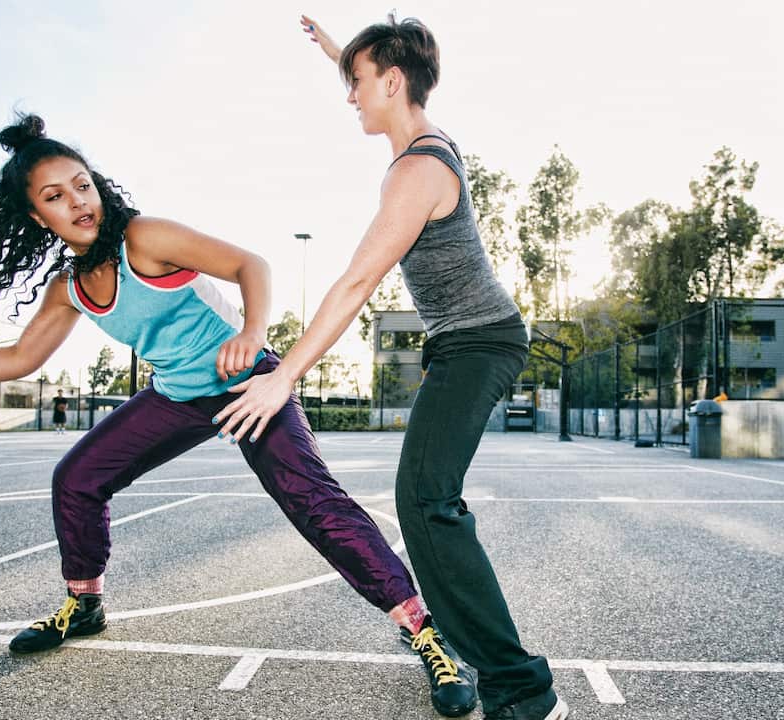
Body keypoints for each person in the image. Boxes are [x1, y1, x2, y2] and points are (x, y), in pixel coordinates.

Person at [0, 112, 476, 718]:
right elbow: (21, 357)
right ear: (35, 216)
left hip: (248, 383)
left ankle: (424, 633)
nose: (77, 202)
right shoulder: (68, 287)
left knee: (312, 500)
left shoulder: (144, 238)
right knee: (76, 479)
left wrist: (253, 334)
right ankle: (85, 602)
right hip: (177, 395)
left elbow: (250, 264)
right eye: (55, 197)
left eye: (81, 184)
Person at [214, 14, 567, 720]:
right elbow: (375, 72)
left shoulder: (418, 171)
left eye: (358, 82)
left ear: (394, 81)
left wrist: (286, 376)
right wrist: (334, 50)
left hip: (480, 341)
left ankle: (524, 692)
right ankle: (512, 681)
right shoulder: (424, 140)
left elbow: (355, 281)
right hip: (465, 341)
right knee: (425, 500)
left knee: (427, 501)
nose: (350, 94)